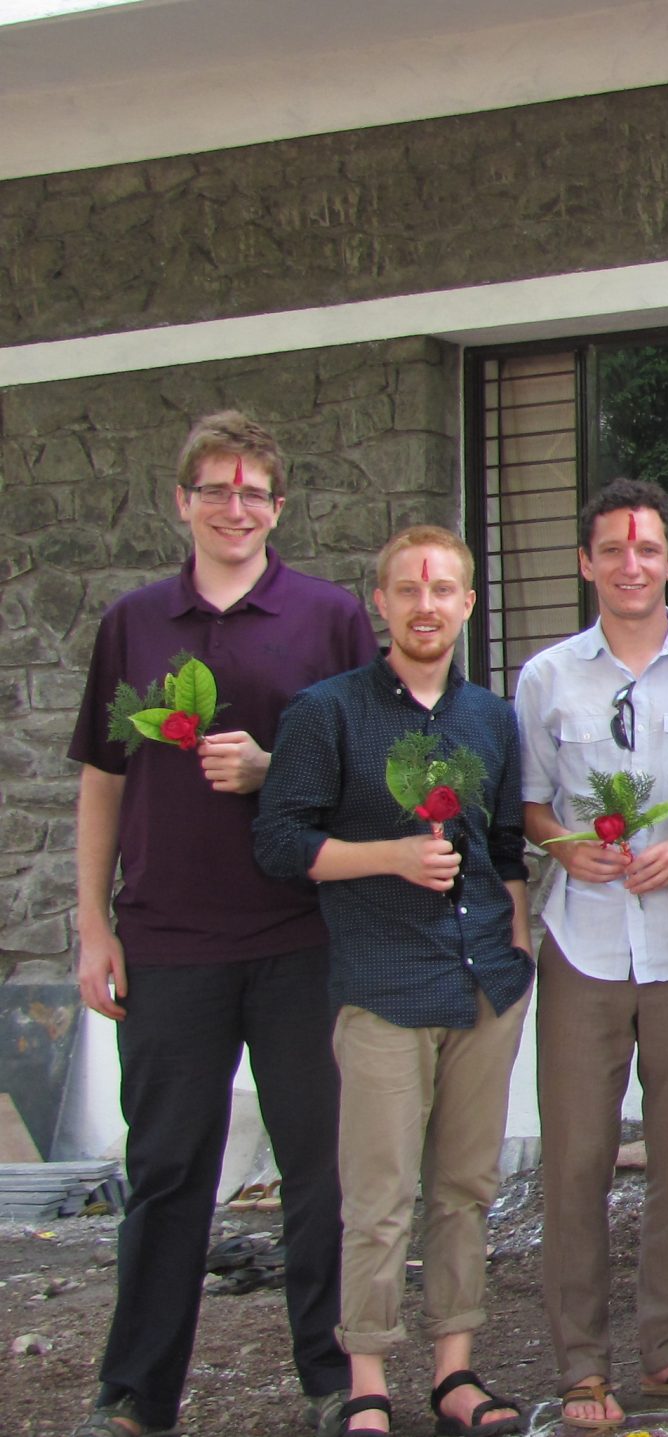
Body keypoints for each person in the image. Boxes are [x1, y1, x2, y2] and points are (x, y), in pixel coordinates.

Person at [69, 413, 376, 1437]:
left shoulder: (330, 619)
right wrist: (92, 927)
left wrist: (269, 771)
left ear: (277, 508)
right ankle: (135, 1393)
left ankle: (335, 1379)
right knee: (166, 1172)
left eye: (252, 492)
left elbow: (365, 777)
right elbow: (102, 780)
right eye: (215, 489)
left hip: (302, 935)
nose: (233, 507)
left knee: (321, 1172)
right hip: (167, 939)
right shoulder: (133, 623)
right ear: (183, 501)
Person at [253, 526, 533, 1437]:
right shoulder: (327, 712)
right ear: (380, 601)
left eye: (443, 589)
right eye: (408, 590)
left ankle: (455, 1371)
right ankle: (367, 1377)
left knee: (465, 1189)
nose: (425, 605)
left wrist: (517, 943)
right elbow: (280, 841)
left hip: (483, 982)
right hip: (382, 982)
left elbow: (501, 848)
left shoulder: (490, 718)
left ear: (467, 604)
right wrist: (390, 856)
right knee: (377, 1198)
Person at [513, 479, 668, 1429]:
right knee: (576, 1162)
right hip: (584, 942)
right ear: (586, 563)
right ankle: (581, 1364)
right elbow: (530, 803)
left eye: (647, 548)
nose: (630, 564)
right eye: (611, 548)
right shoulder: (546, 678)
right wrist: (568, 846)